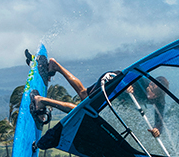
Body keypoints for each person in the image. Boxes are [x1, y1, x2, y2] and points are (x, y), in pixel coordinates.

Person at [31, 59, 168, 139]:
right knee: (85, 110)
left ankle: (55, 66)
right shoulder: (143, 81)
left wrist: (157, 130)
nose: (150, 92)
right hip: (112, 80)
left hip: (112, 86)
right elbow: (128, 73)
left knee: (84, 94)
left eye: (154, 93)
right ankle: (41, 101)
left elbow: (159, 122)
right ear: (151, 83)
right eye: (151, 88)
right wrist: (126, 85)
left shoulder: (160, 101)